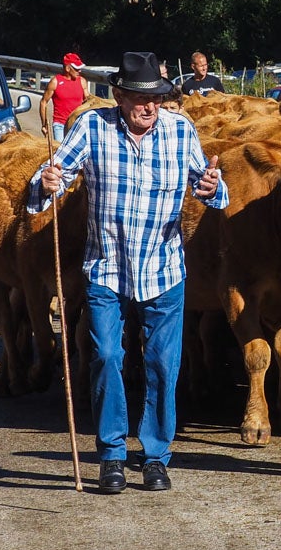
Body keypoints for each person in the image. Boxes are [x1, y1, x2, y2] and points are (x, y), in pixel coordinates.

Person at [29, 51, 227, 494]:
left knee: (161, 364)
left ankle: (155, 456)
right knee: (105, 357)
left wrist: (214, 189)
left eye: (156, 97)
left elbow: (209, 186)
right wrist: (45, 184)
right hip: (107, 268)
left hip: (164, 270)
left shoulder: (180, 131)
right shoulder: (93, 128)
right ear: (118, 95)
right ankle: (112, 455)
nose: (149, 106)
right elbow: (55, 174)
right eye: (139, 97)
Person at [41, 53, 89, 142]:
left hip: (77, 124)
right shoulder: (55, 82)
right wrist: (44, 124)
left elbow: (88, 102)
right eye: (76, 69)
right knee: (60, 152)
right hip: (60, 125)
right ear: (67, 68)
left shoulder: (82, 82)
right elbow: (43, 102)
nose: (79, 71)